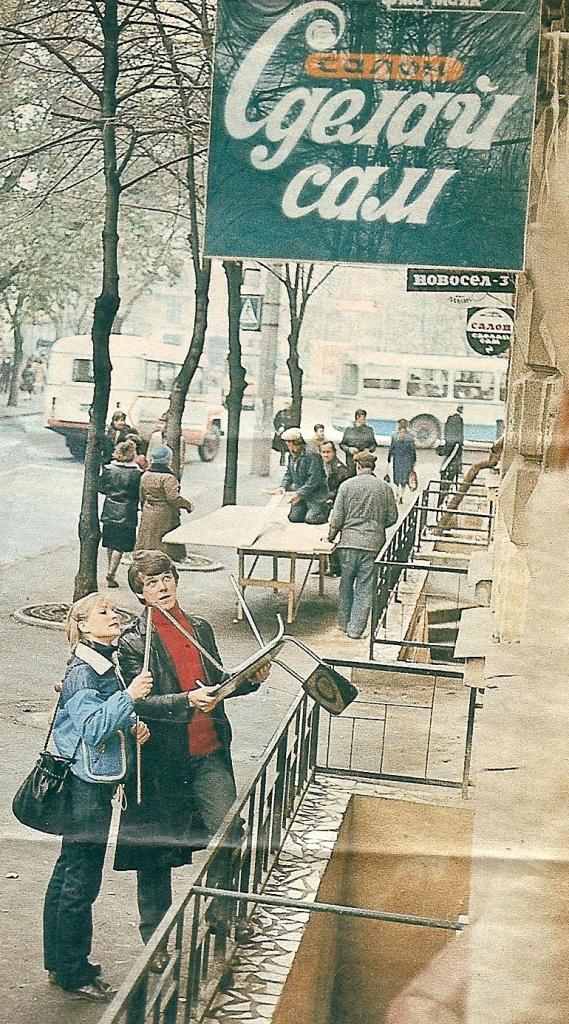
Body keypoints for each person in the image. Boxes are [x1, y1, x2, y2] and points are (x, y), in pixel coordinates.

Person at [114, 550, 270, 967]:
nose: (162, 587)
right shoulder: (133, 640)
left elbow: (216, 684)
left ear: (176, 579)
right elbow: (136, 703)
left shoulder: (198, 627)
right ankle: (156, 941)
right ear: (140, 593)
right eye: (151, 583)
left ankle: (221, 913)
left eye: (166, 577)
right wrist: (187, 700)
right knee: (155, 851)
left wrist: (249, 681)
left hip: (208, 752)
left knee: (230, 831)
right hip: (161, 761)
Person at [43, 593, 152, 1001]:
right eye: (102, 612)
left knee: (69, 872)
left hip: (88, 783)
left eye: (113, 610)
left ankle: (60, 963)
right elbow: (91, 728)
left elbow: (104, 717)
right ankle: (74, 972)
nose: (114, 615)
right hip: (84, 787)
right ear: (83, 625)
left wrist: (131, 722)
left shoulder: (105, 662)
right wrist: (130, 698)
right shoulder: (84, 671)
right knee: (81, 879)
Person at [328, 450, 398, 639]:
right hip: (373, 545)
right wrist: (376, 526)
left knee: (345, 584)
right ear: (372, 466)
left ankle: (343, 623)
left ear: (357, 466)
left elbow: (337, 518)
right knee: (365, 587)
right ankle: (355, 629)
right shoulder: (385, 488)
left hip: (348, 543)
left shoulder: (346, 486)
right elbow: (392, 517)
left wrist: (331, 536)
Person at [135, 444, 194, 563]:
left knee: (149, 539)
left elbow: (142, 496)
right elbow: (173, 498)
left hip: (148, 512)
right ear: (168, 460)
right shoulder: (168, 478)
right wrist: (188, 505)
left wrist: (145, 508)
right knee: (165, 541)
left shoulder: (146, 475)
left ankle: (147, 559)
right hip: (165, 514)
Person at [99, 439, 142, 588]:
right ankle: (111, 572)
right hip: (128, 512)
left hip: (110, 510)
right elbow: (139, 493)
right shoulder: (137, 473)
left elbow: (102, 488)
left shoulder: (108, 469)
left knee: (110, 543)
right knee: (120, 545)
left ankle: (110, 569)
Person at [279, 427, 329, 525]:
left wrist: (299, 493)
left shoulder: (311, 455)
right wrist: (283, 486)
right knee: (294, 517)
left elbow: (314, 479)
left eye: (289, 443)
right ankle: (306, 508)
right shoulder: (292, 455)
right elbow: (289, 473)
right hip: (302, 493)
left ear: (296, 443)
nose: (288, 447)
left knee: (311, 519)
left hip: (315, 494)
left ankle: (325, 507)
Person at [321, 440, 349, 576]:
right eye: (323, 452)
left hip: (336, 505)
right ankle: (323, 565)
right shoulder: (322, 466)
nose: (326, 455)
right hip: (325, 504)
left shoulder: (340, 469)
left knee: (334, 535)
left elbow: (343, 489)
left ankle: (335, 567)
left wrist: (329, 496)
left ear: (334, 452)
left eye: (328, 452)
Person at [147, 412, 186, 480]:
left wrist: (179, 474)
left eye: (167, 424)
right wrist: (148, 467)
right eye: (161, 423)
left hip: (170, 471)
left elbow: (181, 459)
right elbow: (149, 453)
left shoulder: (179, 439)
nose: (164, 426)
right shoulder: (155, 436)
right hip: (155, 470)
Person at [388, 418, 417, 504]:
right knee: (404, 477)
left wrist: (389, 458)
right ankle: (402, 494)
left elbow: (391, 449)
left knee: (397, 476)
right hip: (407, 460)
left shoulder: (394, 437)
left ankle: (397, 492)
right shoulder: (410, 437)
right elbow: (413, 451)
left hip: (397, 459)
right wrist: (414, 461)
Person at [340, 409, 378, 476]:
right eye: (363, 418)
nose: (365, 420)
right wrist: (349, 449)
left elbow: (373, 444)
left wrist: (368, 450)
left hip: (364, 461)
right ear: (357, 417)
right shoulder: (349, 430)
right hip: (351, 460)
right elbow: (342, 444)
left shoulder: (369, 430)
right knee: (351, 477)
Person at [272, 400, 296, 466]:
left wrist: (286, 427)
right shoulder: (281, 413)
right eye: (286, 404)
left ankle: (291, 461)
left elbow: (294, 423)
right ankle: (282, 459)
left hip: (289, 432)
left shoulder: (293, 414)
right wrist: (279, 428)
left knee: (291, 447)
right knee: (282, 446)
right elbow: (276, 421)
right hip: (281, 432)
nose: (287, 405)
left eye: (288, 404)